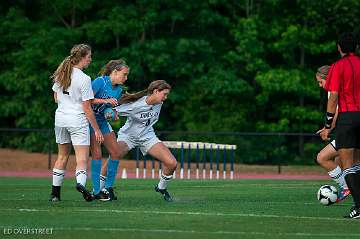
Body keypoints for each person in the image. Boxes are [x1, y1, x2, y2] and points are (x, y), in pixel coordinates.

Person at [50, 44, 104, 202]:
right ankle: (80, 184)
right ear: (81, 57)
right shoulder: (84, 78)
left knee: (62, 156)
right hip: (77, 120)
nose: (90, 59)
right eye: (89, 56)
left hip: (60, 119)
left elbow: (55, 97)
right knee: (81, 159)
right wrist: (96, 129)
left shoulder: (62, 72)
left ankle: (55, 194)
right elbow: (87, 107)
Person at [110, 80, 177, 201]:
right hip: (128, 136)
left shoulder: (158, 102)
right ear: (156, 91)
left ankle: (161, 187)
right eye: (164, 94)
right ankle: (101, 189)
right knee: (113, 157)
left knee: (172, 163)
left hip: (147, 136)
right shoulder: (135, 105)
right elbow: (112, 111)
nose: (166, 97)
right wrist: (110, 113)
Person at [319, 32, 360, 219]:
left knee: (348, 165)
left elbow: (333, 96)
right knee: (357, 164)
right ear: (356, 47)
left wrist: (328, 125)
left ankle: (358, 207)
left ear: (339, 47)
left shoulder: (337, 67)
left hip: (348, 118)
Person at [90, 59, 129, 201]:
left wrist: (112, 113)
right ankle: (96, 191)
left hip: (102, 121)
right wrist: (105, 102)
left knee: (115, 152)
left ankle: (107, 188)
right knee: (97, 154)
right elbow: (87, 101)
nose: (126, 78)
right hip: (90, 120)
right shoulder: (100, 82)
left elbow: (109, 108)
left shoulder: (118, 89)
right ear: (115, 72)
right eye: (124, 74)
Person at [315, 65, 350, 202]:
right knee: (339, 161)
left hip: (350, 130)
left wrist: (327, 128)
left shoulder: (334, 89)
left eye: (320, 82)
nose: (320, 85)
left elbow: (336, 112)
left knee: (322, 157)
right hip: (350, 129)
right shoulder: (347, 84)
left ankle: (347, 187)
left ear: (328, 78)